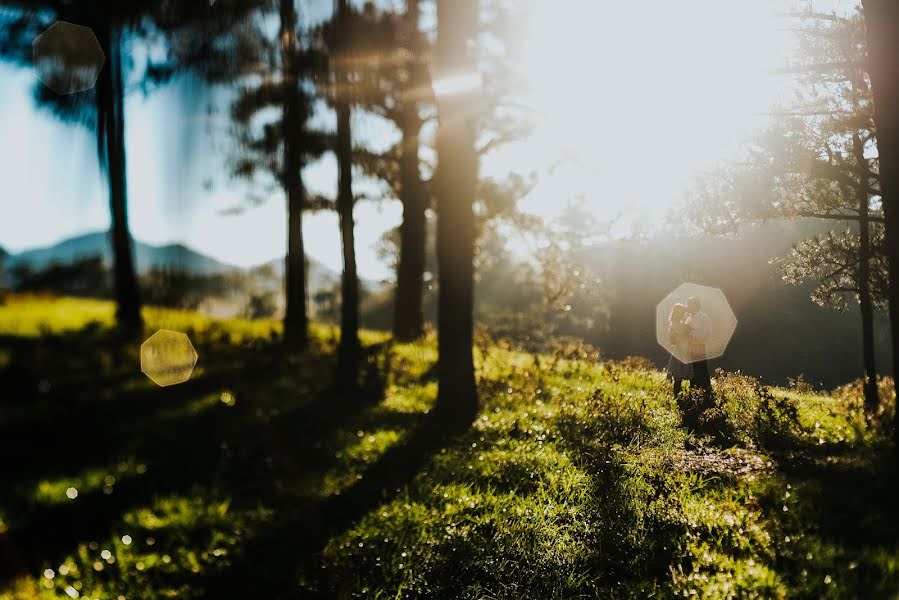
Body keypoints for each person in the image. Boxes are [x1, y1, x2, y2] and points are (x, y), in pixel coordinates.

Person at [685, 296, 712, 398]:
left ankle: (705, 392)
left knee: (701, 370)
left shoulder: (704, 318)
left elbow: (706, 334)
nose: (688, 307)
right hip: (690, 347)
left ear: (695, 306)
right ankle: (693, 393)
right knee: (692, 371)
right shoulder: (688, 318)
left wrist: (693, 336)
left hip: (699, 347)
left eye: (689, 305)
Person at [666, 303, 693, 397]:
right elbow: (673, 340)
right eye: (682, 313)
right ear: (678, 313)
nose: (683, 314)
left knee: (679, 375)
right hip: (680, 350)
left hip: (682, 350)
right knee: (679, 375)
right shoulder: (676, 324)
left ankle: (680, 396)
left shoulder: (677, 323)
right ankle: (679, 397)